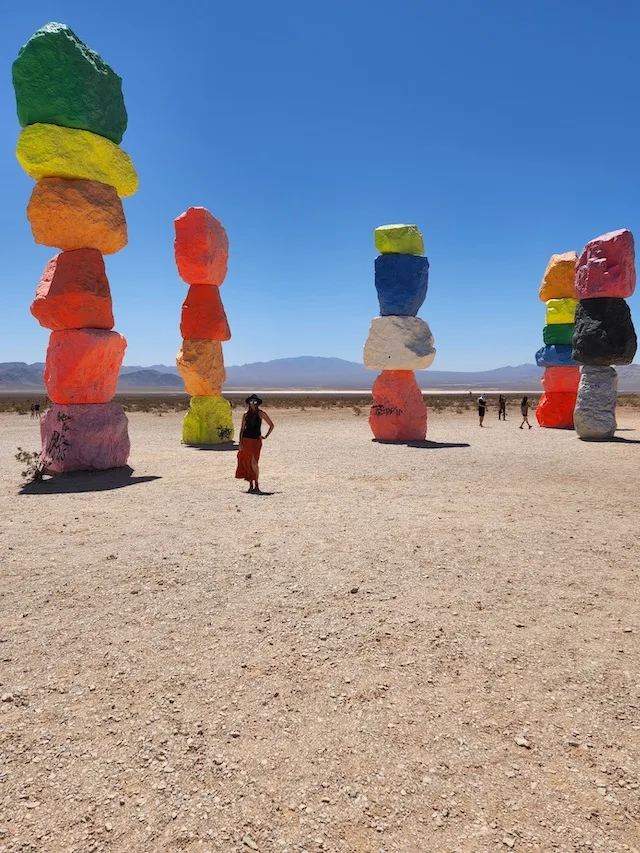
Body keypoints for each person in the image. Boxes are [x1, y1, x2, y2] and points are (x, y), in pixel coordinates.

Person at [235, 395, 274, 493]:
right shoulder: (245, 415)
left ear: (257, 404)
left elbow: (271, 425)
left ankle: (256, 484)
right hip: (246, 440)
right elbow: (241, 429)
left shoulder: (261, 414)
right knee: (247, 462)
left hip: (256, 441)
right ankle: (251, 485)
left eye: (255, 402)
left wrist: (265, 436)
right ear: (249, 404)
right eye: (251, 402)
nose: (253, 404)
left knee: (254, 462)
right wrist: (240, 442)